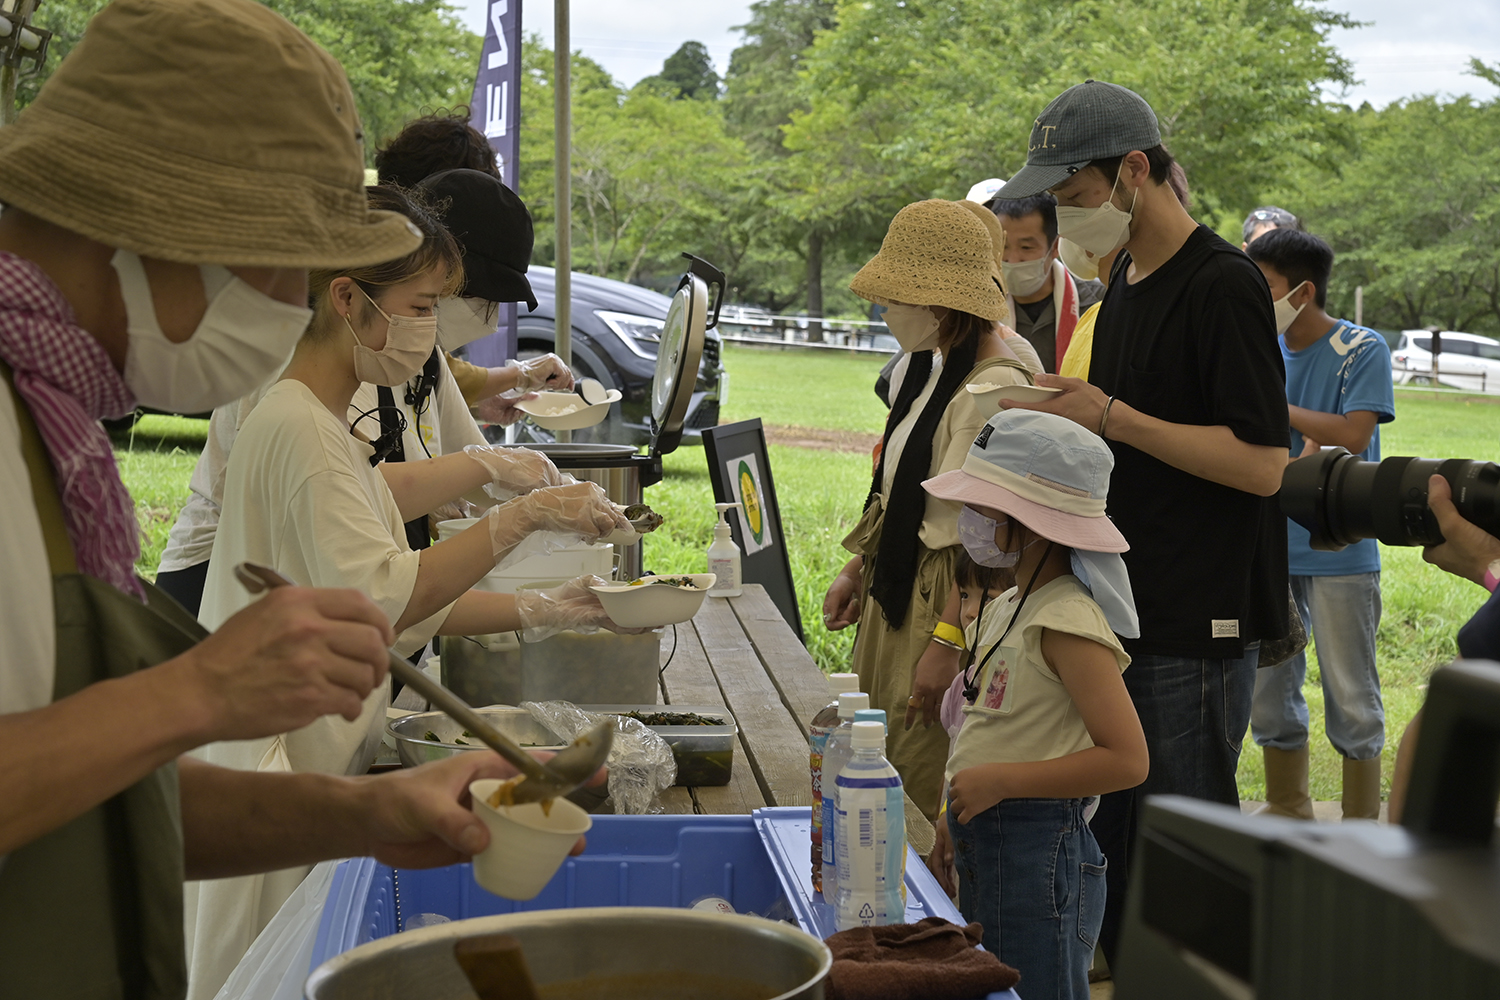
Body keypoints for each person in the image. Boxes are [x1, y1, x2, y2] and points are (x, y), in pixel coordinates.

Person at [0, 1, 582, 996]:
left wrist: (365, 814)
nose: (289, 297)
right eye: (279, 257)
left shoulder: (48, 429)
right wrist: (198, 690)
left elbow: (96, 795)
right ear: (156, 226)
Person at [185, 185, 629, 998]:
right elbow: (390, 593)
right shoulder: (302, 432)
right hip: (279, 772)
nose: (430, 329)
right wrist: (521, 513)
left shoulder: (324, 428)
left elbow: (382, 595)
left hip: (315, 756)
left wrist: (545, 608)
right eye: (421, 306)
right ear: (347, 300)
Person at [994, 80, 1290, 961]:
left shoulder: (1224, 284)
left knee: (1185, 835)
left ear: (1134, 171)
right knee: (1121, 833)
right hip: (1124, 598)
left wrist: (1112, 416)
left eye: (1079, 199)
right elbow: (1112, 421)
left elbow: (1263, 463)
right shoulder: (1122, 275)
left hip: (1200, 611)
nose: (1074, 220)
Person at [921, 409, 1148, 999]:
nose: (971, 520)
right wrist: (955, 813)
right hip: (990, 841)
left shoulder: (1067, 621)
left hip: (1039, 861)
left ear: (1032, 523)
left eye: (985, 509)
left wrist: (1001, 782)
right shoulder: (1008, 605)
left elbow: (1127, 759)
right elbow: (996, 726)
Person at [821, 199, 1035, 819]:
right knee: (874, 747)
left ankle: (916, 913)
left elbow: (988, 534)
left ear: (938, 306)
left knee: (913, 781)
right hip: (903, 583)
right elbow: (904, 489)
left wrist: (946, 639)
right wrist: (860, 569)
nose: (884, 310)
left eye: (893, 298)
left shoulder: (991, 387)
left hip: (947, 597)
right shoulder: (936, 366)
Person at [1245, 227, 1394, 820]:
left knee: (1352, 695)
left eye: (1266, 286)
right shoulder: (1256, 346)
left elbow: (1354, 434)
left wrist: (1279, 411)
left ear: (1302, 292)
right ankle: (1289, 811)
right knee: (1269, 696)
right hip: (1270, 546)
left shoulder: (1362, 348)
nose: (1256, 299)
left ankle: (1359, 829)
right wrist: (1310, 432)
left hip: (1340, 548)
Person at [375, 112, 566, 419]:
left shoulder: (395, 331)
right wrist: (519, 375)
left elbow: (430, 369)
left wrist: (475, 404)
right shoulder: (360, 329)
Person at [1057, 162, 1191, 380]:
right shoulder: (1094, 316)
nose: (1064, 229)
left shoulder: (1193, 304)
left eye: (1075, 196)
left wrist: (1105, 412)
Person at [985, 191, 1105, 373]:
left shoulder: (1096, 303)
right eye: (1003, 246)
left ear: (1055, 247)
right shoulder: (982, 309)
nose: (1012, 260)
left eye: (1026, 247)